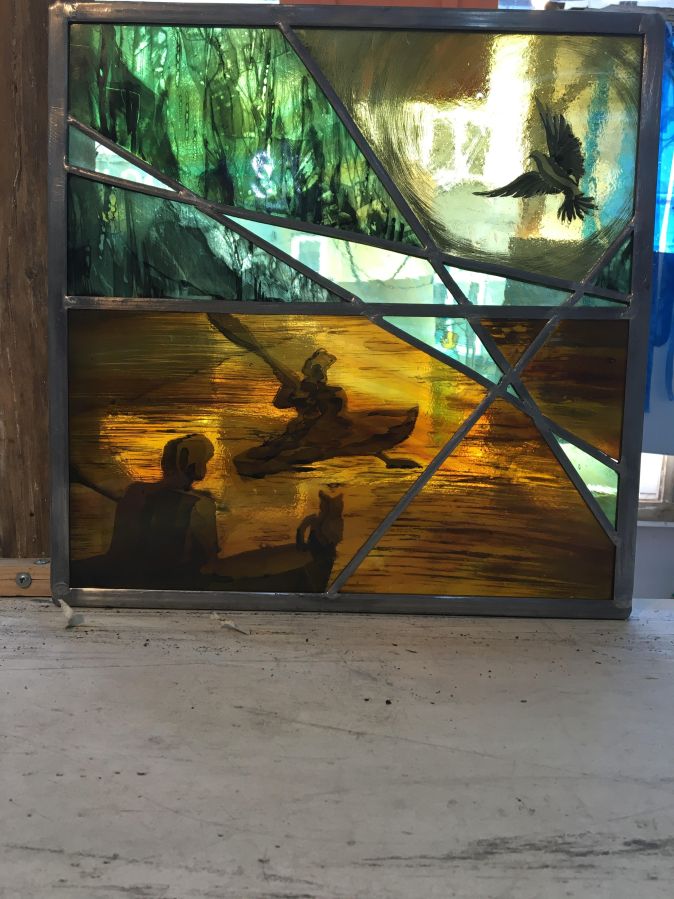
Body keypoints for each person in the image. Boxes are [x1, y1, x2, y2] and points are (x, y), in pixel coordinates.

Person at [73, 434, 218, 589]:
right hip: (166, 582)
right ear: (196, 467)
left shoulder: (135, 490)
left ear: (164, 463)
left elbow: (119, 552)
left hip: (125, 576)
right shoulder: (200, 504)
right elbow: (210, 560)